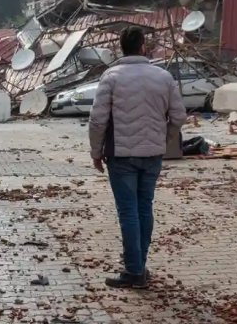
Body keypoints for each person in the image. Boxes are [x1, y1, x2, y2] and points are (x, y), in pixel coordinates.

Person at [88, 27, 187, 289]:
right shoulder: (163, 77)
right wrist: (163, 138)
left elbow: (97, 120)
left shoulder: (111, 77)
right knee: (145, 208)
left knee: (129, 212)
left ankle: (134, 272)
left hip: (121, 156)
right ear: (143, 46)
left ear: (121, 47)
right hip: (152, 154)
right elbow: (178, 116)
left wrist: (95, 152)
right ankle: (139, 266)